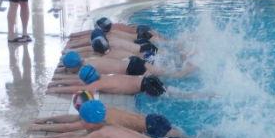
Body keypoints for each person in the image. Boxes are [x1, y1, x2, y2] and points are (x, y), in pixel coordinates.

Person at [26, 98, 202, 138]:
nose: (81, 122)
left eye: (83, 120)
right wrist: (42, 137)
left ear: (90, 121)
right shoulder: (107, 123)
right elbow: (74, 133)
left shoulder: (103, 132)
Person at [31, 90, 184, 138]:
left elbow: (69, 128)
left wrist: (41, 129)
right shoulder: (102, 109)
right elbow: (72, 119)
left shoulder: (99, 119)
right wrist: (44, 120)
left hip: (153, 127)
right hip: (152, 118)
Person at [57, 50, 194, 80]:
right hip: (131, 61)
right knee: (164, 72)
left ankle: (187, 70)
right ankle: (184, 62)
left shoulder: (87, 68)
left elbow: (78, 79)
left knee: (170, 76)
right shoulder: (88, 59)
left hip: (132, 68)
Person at [47, 64, 166, 97]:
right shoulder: (103, 76)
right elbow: (79, 82)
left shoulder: (99, 84)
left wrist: (55, 89)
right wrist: (57, 82)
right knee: (169, 92)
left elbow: (79, 89)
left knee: (169, 96)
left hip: (147, 87)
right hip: (148, 79)